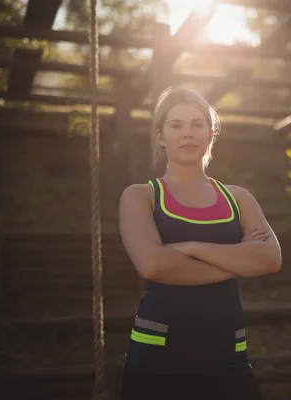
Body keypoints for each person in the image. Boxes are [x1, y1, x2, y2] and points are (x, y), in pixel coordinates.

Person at [118, 86, 282, 400]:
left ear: (211, 134)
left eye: (197, 124)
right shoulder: (141, 196)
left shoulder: (239, 198)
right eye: (176, 125)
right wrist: (237, 261)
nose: (188, 133)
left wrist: (190, 247)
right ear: (160, 136)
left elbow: (270, 260)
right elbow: (153, 265)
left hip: (229, 355)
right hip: (157, 356)